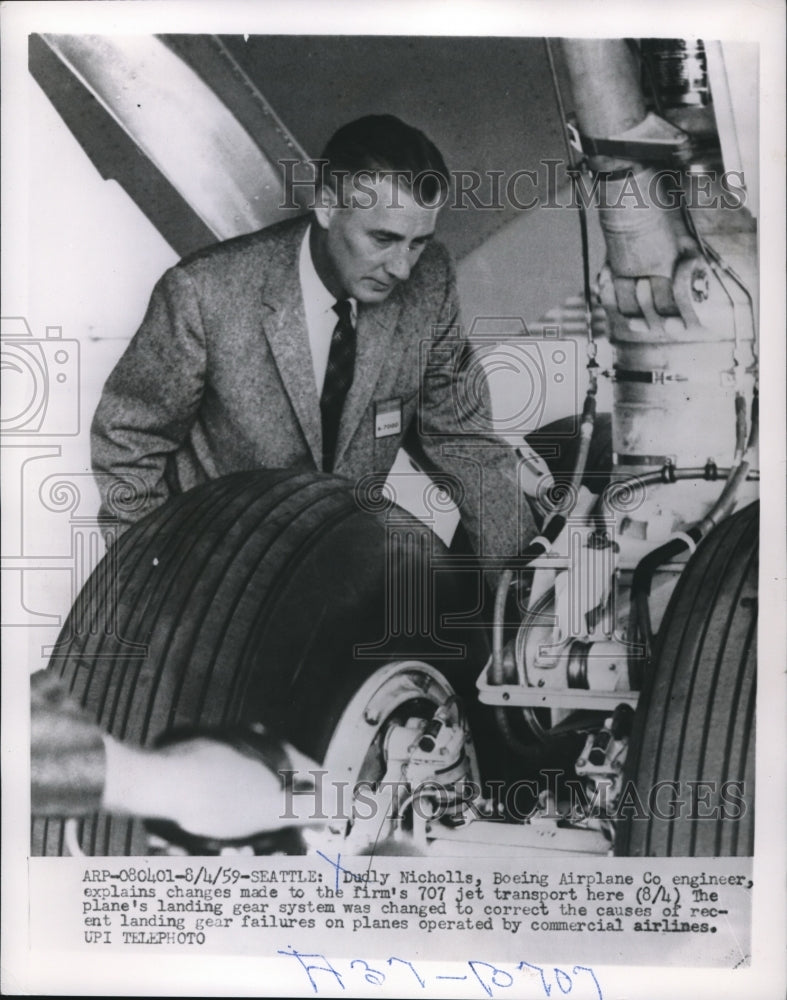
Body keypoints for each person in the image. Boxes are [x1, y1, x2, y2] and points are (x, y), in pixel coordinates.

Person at [91, 114, 533, 564]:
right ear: (326, 206)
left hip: (339, 569)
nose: (402, 267)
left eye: (417, 242)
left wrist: (528, 585)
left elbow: (465, 444)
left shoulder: (430, 282)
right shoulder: (203, 293)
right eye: (383, 238)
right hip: (218, 574)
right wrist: (160, 580)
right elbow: (127, 441)